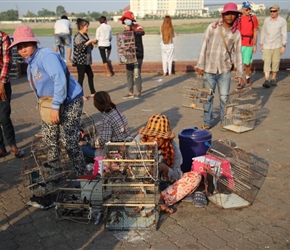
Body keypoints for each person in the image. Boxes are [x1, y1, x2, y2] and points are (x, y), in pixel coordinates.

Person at [9, 25, 86, 176]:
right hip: (49, 104)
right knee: (50, 140)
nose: (22, 50)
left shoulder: (46, 56)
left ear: (34, 43)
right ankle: (54, 174)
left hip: (69, 101)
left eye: (26, 45)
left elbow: (59, 80)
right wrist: (48, 108)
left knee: (68, 141)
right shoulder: (30, 62)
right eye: (19, 47)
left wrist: (56, 106)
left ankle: (82, 175)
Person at [195, 2, 244, 130]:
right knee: (208, 97)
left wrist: (240, 73)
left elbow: (238, 54)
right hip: (209, 68)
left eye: (232, 14)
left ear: (236, 16)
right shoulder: (212, 27)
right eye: (227, 14)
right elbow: (203, 46)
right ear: (223, 15)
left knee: (224, 97)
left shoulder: (236, 34)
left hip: (224, 70)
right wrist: (200, 64)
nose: (229, 16)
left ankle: (224, 120)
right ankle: (207, 121)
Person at [80, 91, 131, 160]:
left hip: (116, 150)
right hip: (126, 143)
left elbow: (103, 142)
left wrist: (87, 142)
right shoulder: (116, 110)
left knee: (82, 148)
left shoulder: (106, 118)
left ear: (96, 105)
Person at [138, 113, 183, 184]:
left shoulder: (172, 148)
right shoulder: (138, 141)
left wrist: (165, 168)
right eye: (152, 136)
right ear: (147, 134)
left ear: (165, 138)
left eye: (160, 137)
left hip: (162, 183)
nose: (156, 139)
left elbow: (177, 176)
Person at [0, 31, 24, 158]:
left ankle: (12, 144)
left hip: (2, 82)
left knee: (4, 116)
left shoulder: (3, 37)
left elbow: (6, 61)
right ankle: (1, 148)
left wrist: (2, 83)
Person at [260, 4, 287, 88]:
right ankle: (267, 79)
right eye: (271, 11)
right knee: (266, 62)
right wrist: (261, 43)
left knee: (275, 62)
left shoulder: (282, 21)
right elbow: (263, 32)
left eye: (274, 11)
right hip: (267, 45)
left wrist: (283, 45)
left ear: (278, 11)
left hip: (277, 45)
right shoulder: (267, 20)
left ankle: (273, 78)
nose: (272, 13)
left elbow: (284, 33)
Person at [120, 11, 145, 100]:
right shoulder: (125, 30)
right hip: (129, 54)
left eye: (127, 19)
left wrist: (131, 31)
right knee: (129, 74)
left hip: (138, 54)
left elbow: (142, 32)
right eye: (125, 20)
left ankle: (139, 92)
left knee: (137, 74)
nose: (126, 21)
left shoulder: (137, 27)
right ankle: (130, 92)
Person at [73, 18, 97, 101]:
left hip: (86, 60)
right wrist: (90, 41)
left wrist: (92, 43)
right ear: (81, 26)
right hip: (80, 60)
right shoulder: (77, 36)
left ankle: (93, 92)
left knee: (90, 75)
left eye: (87, 26)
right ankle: (80, 95)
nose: (87, 28)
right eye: (86, 26)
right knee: (81, 78)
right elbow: (81, 48)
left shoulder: (85, 35)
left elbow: (88, 47)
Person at [238, 1, 259, 87]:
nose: (248, 11)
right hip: (240, 42)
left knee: (247, 63)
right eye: (246, 9)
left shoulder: (253, 18)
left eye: (249, 9)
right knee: (238, 62)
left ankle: (247, 77)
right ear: (242, 9)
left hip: (249, 43)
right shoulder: (238, 18)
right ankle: (240, 80)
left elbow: (255, 31)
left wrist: (255, 44)